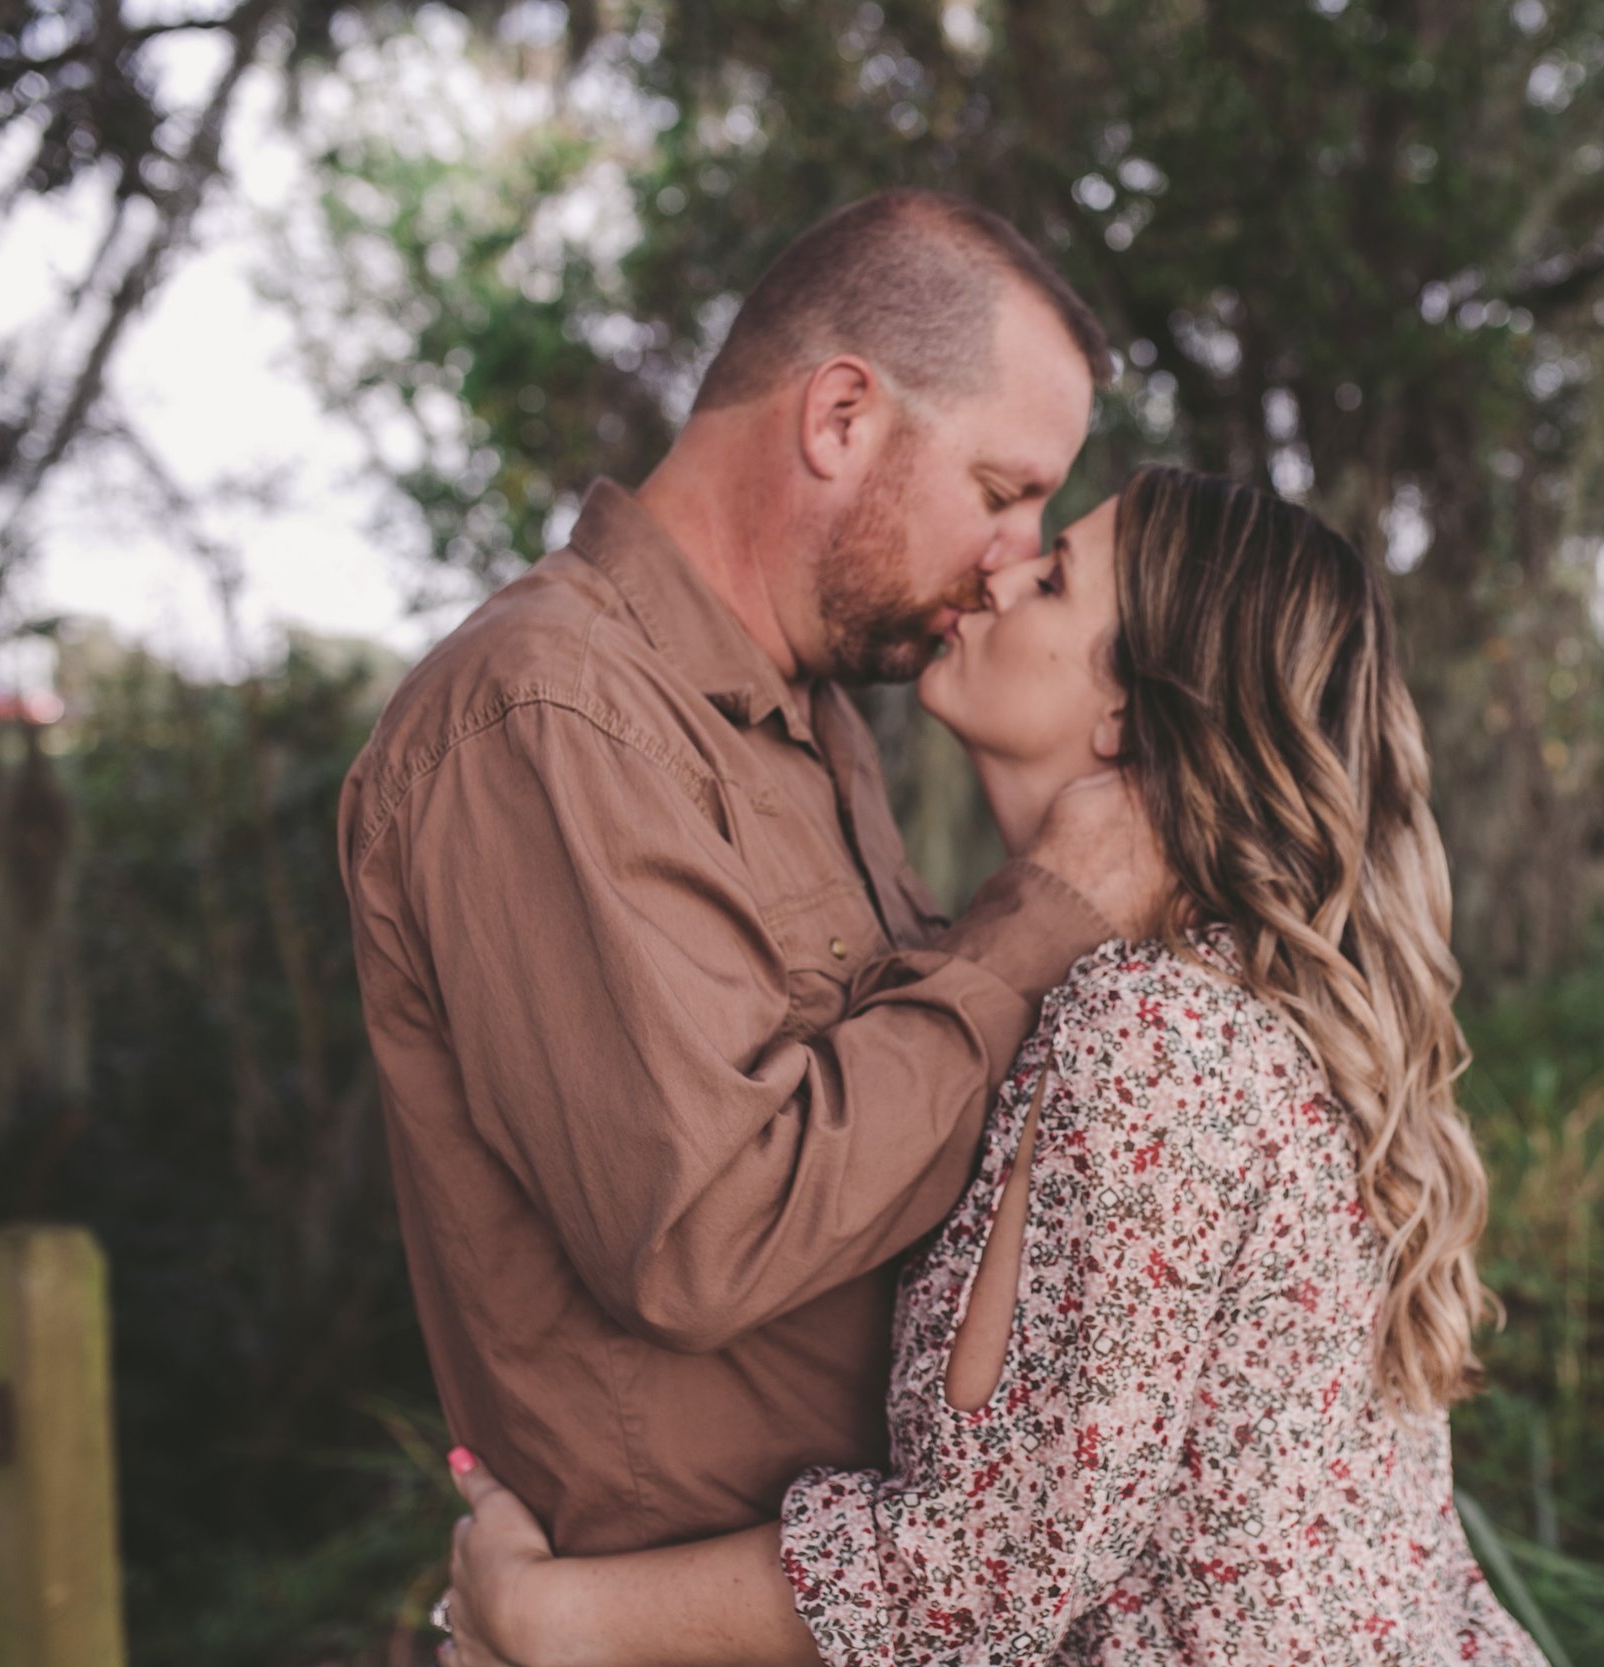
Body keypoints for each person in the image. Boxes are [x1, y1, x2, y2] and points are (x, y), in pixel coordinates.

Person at [437, 468, 1548, 1666]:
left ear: (1128, 713)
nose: (1001, 568)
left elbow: (988, 1562)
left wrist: (549, 1620)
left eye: (1055, 575)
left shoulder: (1152, 1032)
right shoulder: (1217, 997)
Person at [337, 189, 1168, 1561]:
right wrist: (1033, 930)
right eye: (1004, 490)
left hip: (877, 1609)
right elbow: (704, 1229)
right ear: (841, 417)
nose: (1015, 555)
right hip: (682, 1620)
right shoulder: (547, 712)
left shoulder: (815, 720)